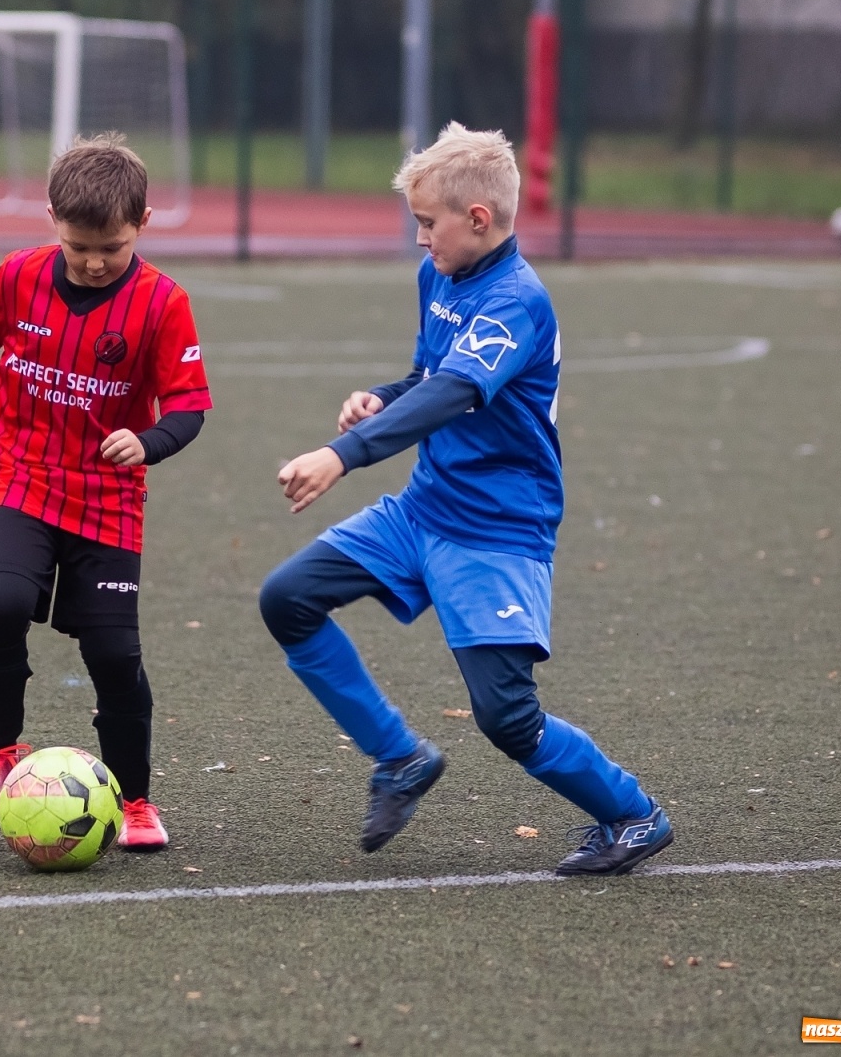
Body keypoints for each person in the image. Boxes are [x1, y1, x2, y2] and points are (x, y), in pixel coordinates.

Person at [258, 123, 673, 876]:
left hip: (497, 532)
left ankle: (633, 813)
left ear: (477, 218)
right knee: (287, 598)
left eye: (427, 223)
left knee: (507, 717)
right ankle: (400, 758)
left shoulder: (517, 300)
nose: (420, 240)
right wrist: (379, 400)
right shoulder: (441, 278)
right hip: (423, 509)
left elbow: (455, 392)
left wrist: (341, 455)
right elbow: (428, 377)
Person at [0, 134, 211, 851]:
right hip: (20, 471)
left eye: (114, 247)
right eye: (79, 248)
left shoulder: (164, 303)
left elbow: (190, 407)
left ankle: (133, 800)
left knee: (113, 656)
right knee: (1, 603)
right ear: (51, 221)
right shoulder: (19, 276)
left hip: (107, 495)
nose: (96, 263)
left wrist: (149, 442)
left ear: (145, 224)